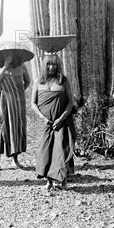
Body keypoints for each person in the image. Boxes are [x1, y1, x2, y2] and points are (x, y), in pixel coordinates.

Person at [31, 54, 76, 193]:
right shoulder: (39, 81)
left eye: (54, 64)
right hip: (45, 122)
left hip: (62, 121)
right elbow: (33, 103)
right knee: (45, 150)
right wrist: (42, 117)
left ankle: (63, 181)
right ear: (44, 65)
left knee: (61, 150)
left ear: (58, 66)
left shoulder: (64, 81)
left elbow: (70, 102)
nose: (51, 67)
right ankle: (49, 181)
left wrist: (61, 119)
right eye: (49, 64)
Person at [0, 51, 31, 172]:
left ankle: (15, 160)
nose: (9, 56)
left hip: (17, 102)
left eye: (11, 54)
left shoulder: (21, 65)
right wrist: (5, 66)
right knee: (0, 128)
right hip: (1, 102)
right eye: (6, 55)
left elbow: (27, 81)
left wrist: (19, 92)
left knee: (15, 128)